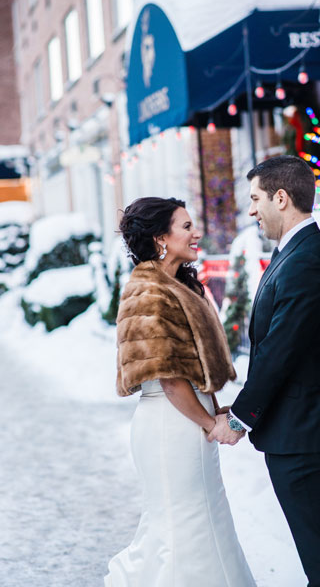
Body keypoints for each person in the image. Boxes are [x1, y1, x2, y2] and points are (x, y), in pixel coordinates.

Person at [209, 156, 320, 587]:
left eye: (255, 199)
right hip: (294, 428)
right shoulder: (293, 251)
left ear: (281, 197)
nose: (251, 210)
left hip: (303, 430)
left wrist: (239, 418)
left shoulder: (307, 258)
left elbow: (280, 350)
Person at [104, 197, 256, 587]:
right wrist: (211, 424)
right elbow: (170, 378)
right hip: (171, 424)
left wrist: (215, 409)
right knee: (184, 526)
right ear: (160, 238)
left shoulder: (181, 284)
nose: (197, 232)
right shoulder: (148, 291)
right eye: (186, 226)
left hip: (189, 419)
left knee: (204, 520)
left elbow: (195, 364)